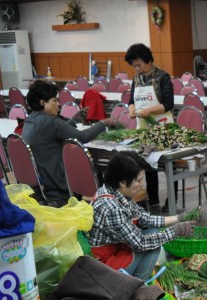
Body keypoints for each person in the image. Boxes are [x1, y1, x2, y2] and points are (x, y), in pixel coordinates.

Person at [89, 152, 195, 281]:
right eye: (138, 180)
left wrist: (179, 218)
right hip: (106, 267)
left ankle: (137, 284)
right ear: (122, 182)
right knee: (152, 242)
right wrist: (174, 232)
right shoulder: (111, 207)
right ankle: (136, 286)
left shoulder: (116, 192)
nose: (142, 185)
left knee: (152, 232)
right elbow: (140, 243)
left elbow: (143, 218)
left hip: (117, 251)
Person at [22, 80, 118, 207]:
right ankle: (105, 202)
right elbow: (82, 137)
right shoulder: (50, 122)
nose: (58, 104)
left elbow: (55, 132)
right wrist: (104, 123)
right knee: (97, 164)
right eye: (54, 101)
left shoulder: (29, 120)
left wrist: (73, 120)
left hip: (43, 179)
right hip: (58, 181)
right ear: (42, 102)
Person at [124, 43, 176, 208]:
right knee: (148, 164)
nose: (137, 69)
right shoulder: (137, 78)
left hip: (162, 126)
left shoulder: (162, 77)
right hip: (144, 126)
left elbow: (168, 104)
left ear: (148, 61)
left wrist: (150, 110)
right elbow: (131, 100)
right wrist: (131, 109)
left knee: (168, 165)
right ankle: (153, 199)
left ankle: (171, 200)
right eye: (134, 66)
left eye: (139, 65)